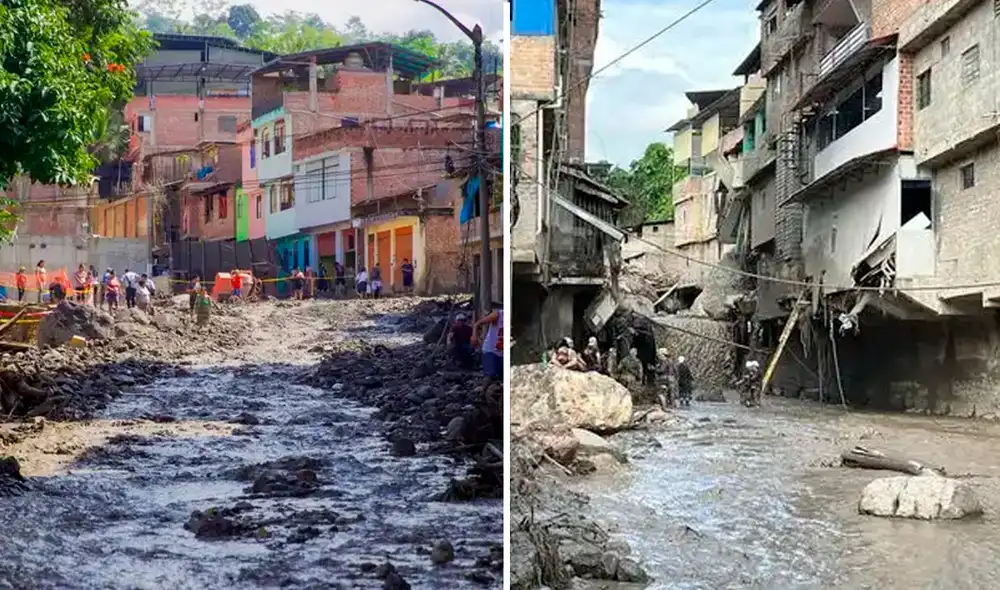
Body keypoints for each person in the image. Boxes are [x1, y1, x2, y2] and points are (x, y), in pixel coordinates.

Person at [472, 304, 503, 381]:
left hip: (501, 352)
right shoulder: (498, 314)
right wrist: (474, 336)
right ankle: (484, 388)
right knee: (490, 374)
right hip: (490, 350)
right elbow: (477, 324)